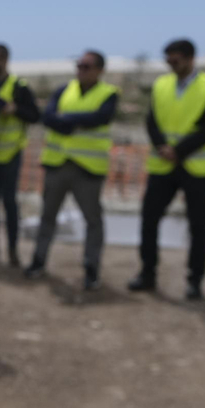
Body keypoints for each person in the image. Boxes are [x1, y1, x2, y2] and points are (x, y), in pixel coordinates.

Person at [129, 39, 205, 300]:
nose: (171, 65)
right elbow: (151, 121)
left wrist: (179, 151)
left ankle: (195, 279)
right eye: (168, 60)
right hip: (163, 165)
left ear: (190, 58)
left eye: (176, 60)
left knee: (198, 226)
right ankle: (147, 272)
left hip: (196, 167)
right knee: (149, 219)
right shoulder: (161, 84)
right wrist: (162, 146)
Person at [25, 51, 118, 290]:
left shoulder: (108, 94)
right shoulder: (63, 90)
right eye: (78, 65)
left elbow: (99, 118)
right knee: (47, 217)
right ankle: (38, 261)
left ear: (99, 70)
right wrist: (73, 122)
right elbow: (47, 117)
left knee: (93, 221)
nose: (81, 70)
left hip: (87, 170)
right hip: (58, 165)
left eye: (86, 66)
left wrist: (66, 119)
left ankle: (91, 268)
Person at [0, 43, 42, 266]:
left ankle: (13, 250)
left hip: (10, 154)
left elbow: (35, 115)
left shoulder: (19, 87)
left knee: (9, 203)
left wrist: (14, 109)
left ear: (5, 60)